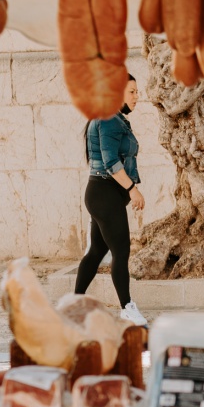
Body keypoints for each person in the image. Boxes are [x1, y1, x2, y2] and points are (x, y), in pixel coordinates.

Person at [73, 75, 148, 328]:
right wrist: (133, 190)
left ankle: (75, 305)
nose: (137, 96)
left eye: (137, 92)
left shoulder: (112, 118)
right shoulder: (108, 120)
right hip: (104, 193)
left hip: (103, 193)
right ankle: (127, 307)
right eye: (132, 92)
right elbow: (111, 163)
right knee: (121, 250)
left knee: (97, 251)